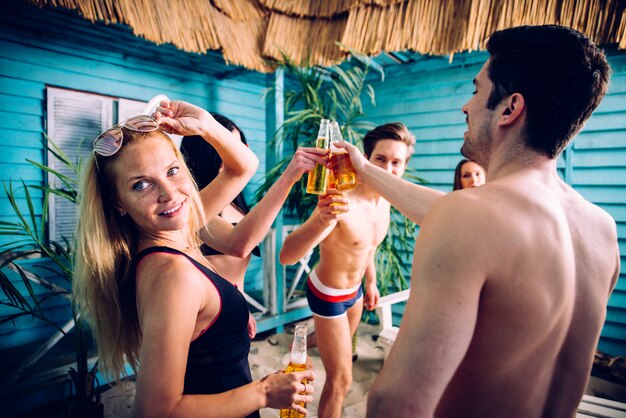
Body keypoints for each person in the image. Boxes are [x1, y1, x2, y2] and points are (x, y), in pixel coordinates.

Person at [336, 25, 618, 417]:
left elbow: (396, 404)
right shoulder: (599, 230)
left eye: (476, 90)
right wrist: (364, 170)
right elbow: (456, 214)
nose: (466, 107)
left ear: (509, 108)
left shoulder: (468, 216)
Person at [73, 99, 316, 417]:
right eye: (141, 185)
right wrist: (264, 391)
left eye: (172, 171)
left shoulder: (181, 229)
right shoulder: (172, 273)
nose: (169, 193)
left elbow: (243, 166)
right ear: (118, 203)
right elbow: (157, 411)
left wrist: (204, 125)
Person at [280, 122, 426, 418]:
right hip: (328, 294)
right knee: (341, 379)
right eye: (380, 159)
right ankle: (310, 344)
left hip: (356, 292)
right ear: (365, 161)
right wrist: (322, 220)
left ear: (405, 166)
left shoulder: (386, 201)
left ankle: (309, 342)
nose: (388, 169)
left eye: (396, 162)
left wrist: (370, 283)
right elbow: (287, 255)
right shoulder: (341, 199)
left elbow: (368, 247)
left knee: (339, 347)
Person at [180, 114, 325, 339]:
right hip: (203, 328)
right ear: (205, 153)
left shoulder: (235, 204)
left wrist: (243, 308)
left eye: (240, 146)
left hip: (232, 318)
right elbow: (240, 244)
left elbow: (232, 277)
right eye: (227, 147)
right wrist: (288, 177)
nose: (237, 154)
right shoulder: (191, 209)